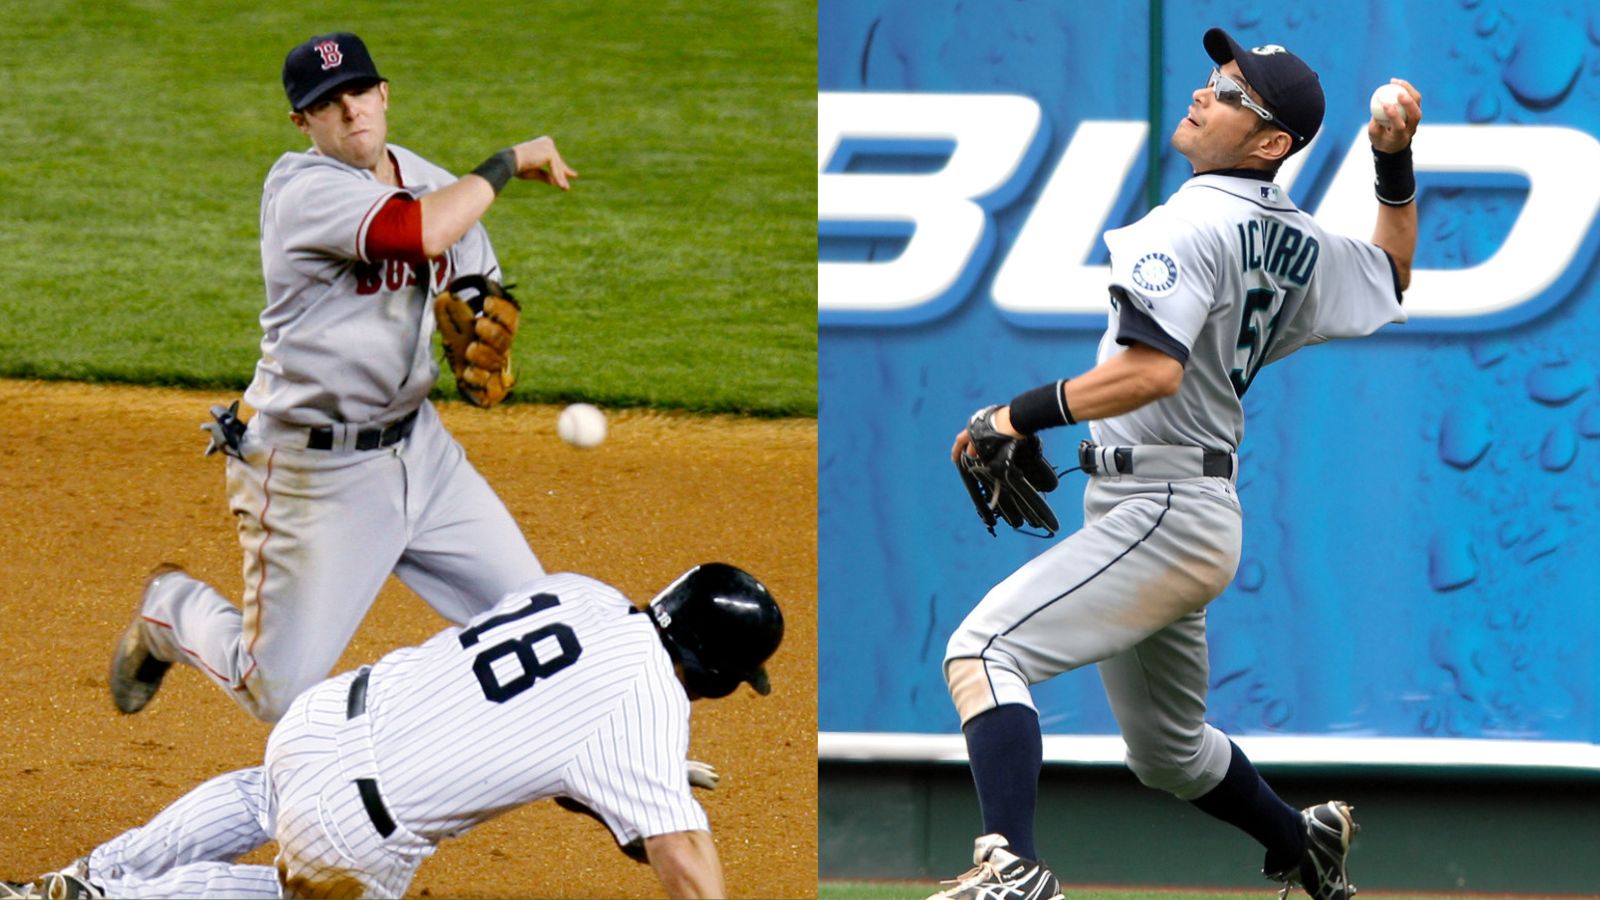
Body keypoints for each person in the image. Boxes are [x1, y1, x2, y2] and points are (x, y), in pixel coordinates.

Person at [935, 28, 1421, 900]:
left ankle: (1008, 864)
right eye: (1214, 78)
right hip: (1176, 504)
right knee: (1168, 751)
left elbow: (1150, 369)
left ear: (1272, 144)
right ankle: (1302, 840)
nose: (1205, 93)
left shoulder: (1189, 222)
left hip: (1161, 504)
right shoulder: (1297, 241)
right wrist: (1393, 161)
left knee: (981, 649)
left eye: (1233, 92)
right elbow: (1390, 271)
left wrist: (1010, 415)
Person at [110, 32, 579, 723]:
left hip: (423, 453)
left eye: (360, 92)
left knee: (541, 622)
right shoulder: (303, 188)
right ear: (303, 122)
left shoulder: (432, 180)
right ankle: (170, 610)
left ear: (384, 95)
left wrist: (481, 327)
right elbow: (416, 234)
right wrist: (510, 159)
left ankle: (616, 767)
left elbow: (474, 281)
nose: (352, 112)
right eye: (328, 104)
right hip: (312, 471)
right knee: (275, 691)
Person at [20, 564, 782, 900]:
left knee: (267, 795)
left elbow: (543, 738)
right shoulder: (650, 704)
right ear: (716, 668)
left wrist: (644, 776)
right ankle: (97, 899)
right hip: (356, 827)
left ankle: (91, 870)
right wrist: (651, 778)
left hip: (325, 718)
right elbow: (680, 851)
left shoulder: (582, 592)